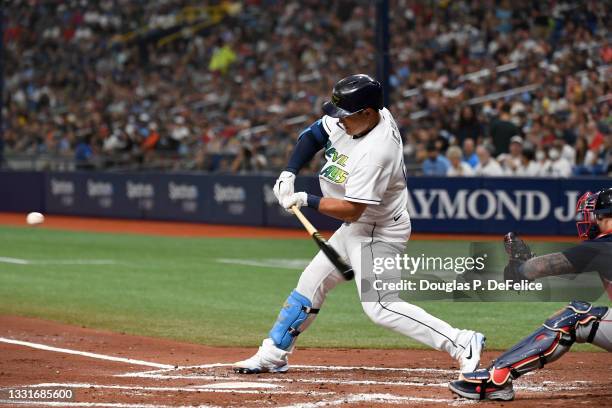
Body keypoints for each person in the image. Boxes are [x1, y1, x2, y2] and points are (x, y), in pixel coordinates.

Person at [233, 74, 485, 375]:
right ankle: (273, 353)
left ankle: (461, 342)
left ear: (368, 113)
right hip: (357, 227)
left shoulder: (378, 151)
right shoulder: (361, 116)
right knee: (310, 284)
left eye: (345, 116)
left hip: (378, 230)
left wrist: (305, 199)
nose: (338, 122)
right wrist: (289, 172)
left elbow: (352, 210)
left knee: (381, 307)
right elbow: (314, 134)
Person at [448, 188, 612, 401]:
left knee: (575, 316)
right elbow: (569, 268)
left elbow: (539, 269)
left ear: (603, 215)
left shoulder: (603, 246)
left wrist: (520, 268)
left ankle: (495, 379)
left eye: (595, 215)